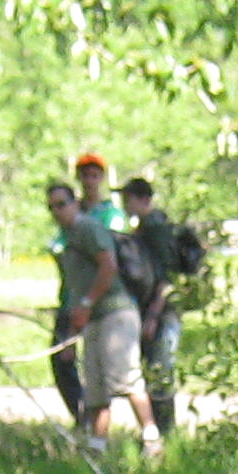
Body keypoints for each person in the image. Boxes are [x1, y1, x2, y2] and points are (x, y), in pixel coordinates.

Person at [46, 178, 157, 452]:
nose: (57, 211)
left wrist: (87, 303)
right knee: (95, 389)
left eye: (62, 204)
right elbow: (75, 290)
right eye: (52, 207)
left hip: (116, 313)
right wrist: (71, 335)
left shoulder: (88, 228)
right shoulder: (67, 239)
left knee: (126, 378)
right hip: (92, 319)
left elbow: (108, 267)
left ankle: (152, 438)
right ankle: (98, 446)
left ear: (74, 203)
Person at [119, 173, 203, 439]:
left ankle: (166, 432)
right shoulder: (146, 228)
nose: (125, 205)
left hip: (163, 312)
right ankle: (159, 430)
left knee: (160, 370)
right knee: (153, 370)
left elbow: (167, 277)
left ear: (143, 199)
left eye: (129, 199)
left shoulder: (156, 229)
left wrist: (154, 314)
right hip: (153, 311)